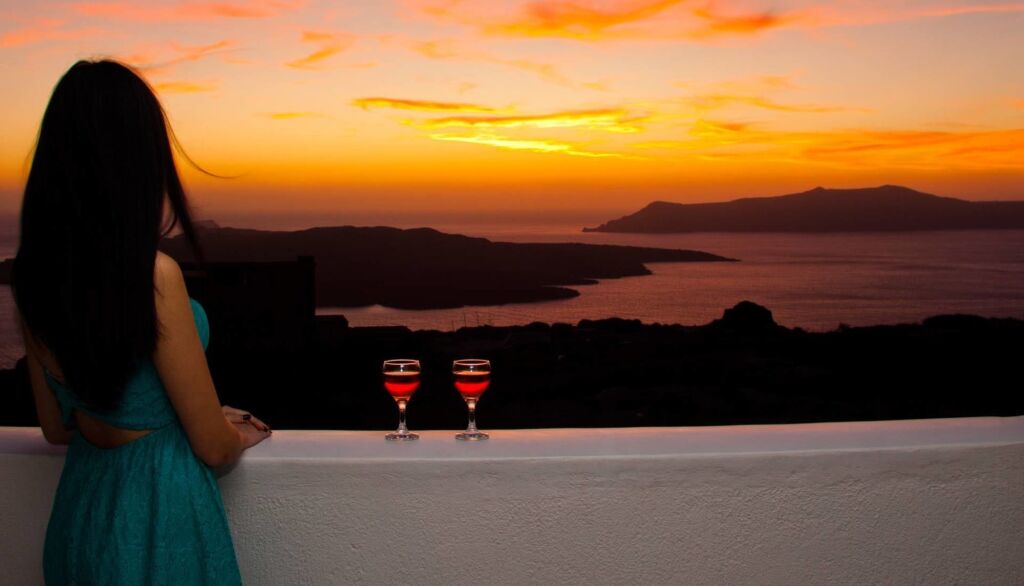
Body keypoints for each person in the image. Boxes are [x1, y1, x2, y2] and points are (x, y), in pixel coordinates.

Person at [12, 59, 271, 584]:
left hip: (82, 513)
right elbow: (212, 447)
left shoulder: (32, 277)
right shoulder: (153, 277)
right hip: (159, 517)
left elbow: (58, 427)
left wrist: (179, 412)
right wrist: (236, 433)